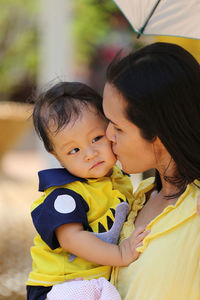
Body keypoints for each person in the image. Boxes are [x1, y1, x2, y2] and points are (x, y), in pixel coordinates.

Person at [26, 82, 150, 300]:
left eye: (96, 138)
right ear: (57, 156)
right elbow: (71, 238)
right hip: (60, 286)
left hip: (93, 282)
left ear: (110, 130)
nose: (90, 154)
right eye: (74, 150)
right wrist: (120, 254)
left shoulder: (119, 179)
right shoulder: (65, 194)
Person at [102, 42, 200, 300]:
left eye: (118, 128)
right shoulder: (137, 197)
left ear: (159, 133)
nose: (107, 135)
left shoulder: (196, 210)